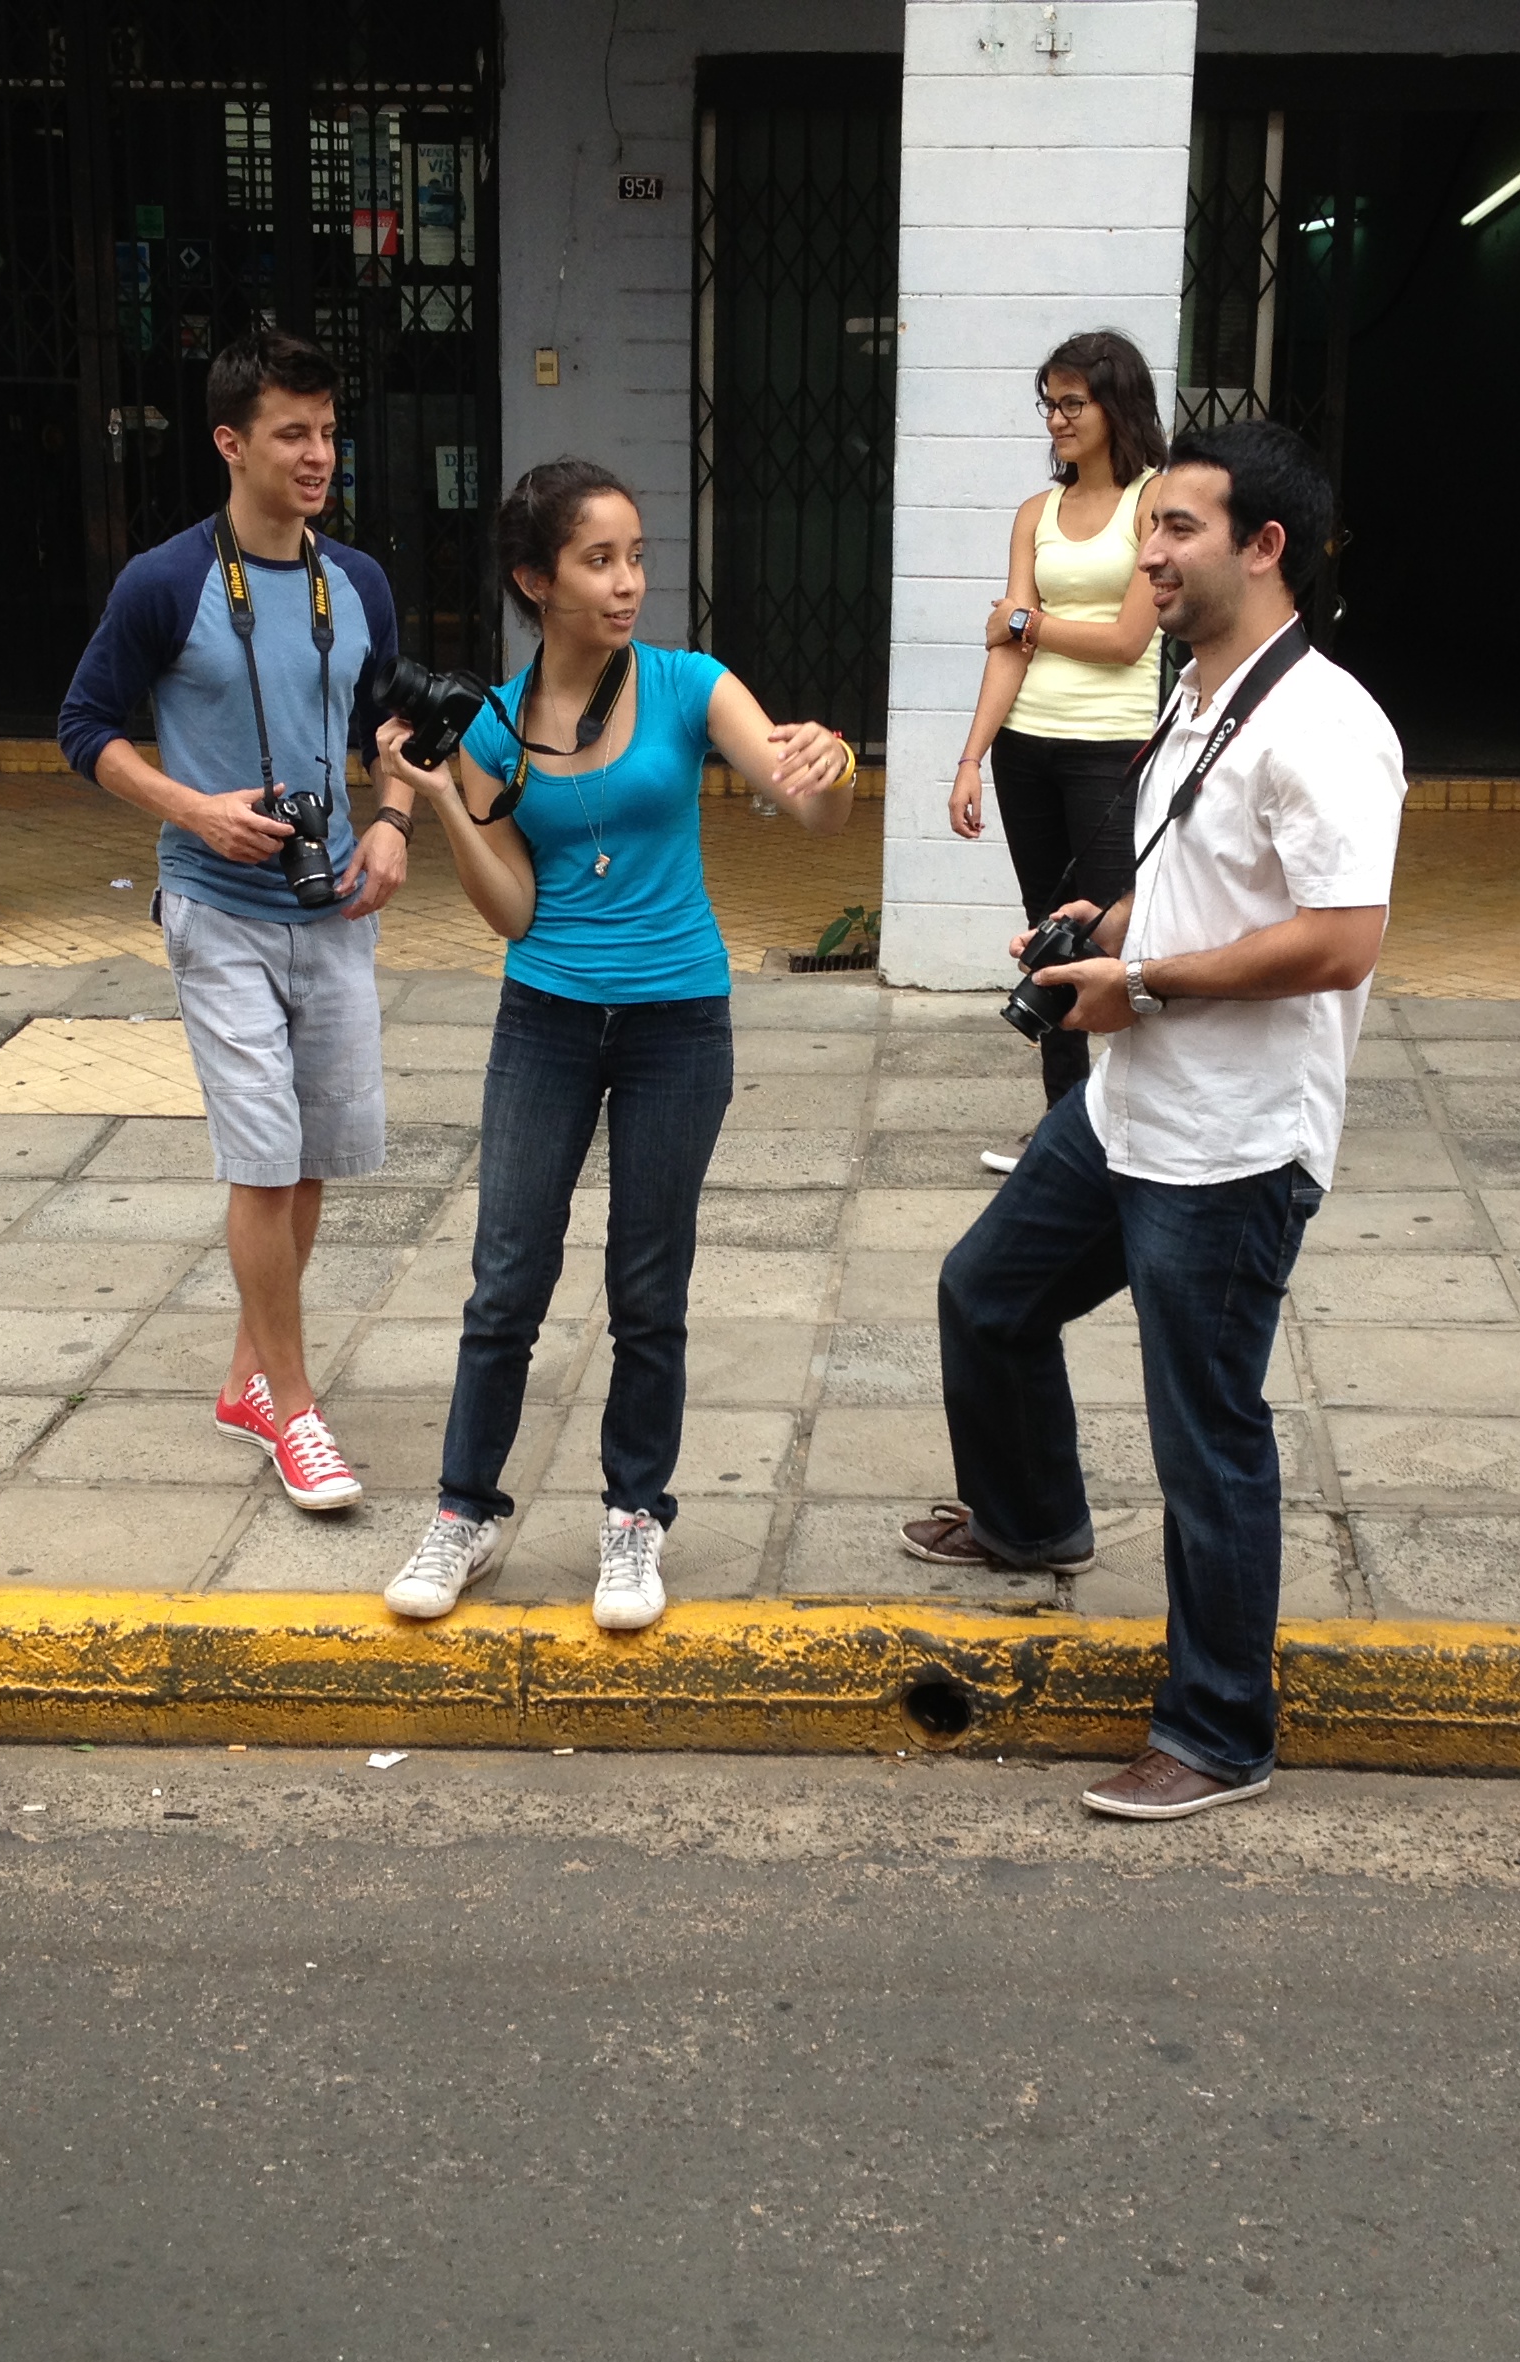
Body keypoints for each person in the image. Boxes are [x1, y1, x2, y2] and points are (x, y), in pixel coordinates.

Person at [906, 421, 1400, 1822]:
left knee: (1206, 1438)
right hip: (1133, 1102)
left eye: (1179, 527)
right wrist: (1100, 927)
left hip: (1234, 1146)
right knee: (986, 1295)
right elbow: (1192, 872)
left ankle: (1219, 1729)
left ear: (1264, 547)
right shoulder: (1203, 687)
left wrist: (1148, 979)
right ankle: (1030, 1519)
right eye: (1151, 526)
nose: (1150, 550)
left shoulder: (1326, 727)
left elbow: (1343, 939)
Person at [375, 458, 854, 1631]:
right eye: (600, 560)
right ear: (538, 581)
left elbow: (810, 811)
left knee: (649, 1288)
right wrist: (440, 797)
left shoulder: (692, 685)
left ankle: (633, 1519)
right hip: (545, 1013)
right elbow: (514, 912)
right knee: (507, 1279)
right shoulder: (490, 723)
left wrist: (827, 769)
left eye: (637, 555)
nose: (629, 581)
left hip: (677, 1021)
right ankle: (465, 1512)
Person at [58, 328, 413, 1512]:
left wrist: (395, 819)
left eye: (326, 430)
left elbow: (393, 729)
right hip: (218, 909)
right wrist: (192, 812)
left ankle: (248, 1380)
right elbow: (85, 729)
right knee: (263, 1163)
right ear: (231, 443)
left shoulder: (355, 581)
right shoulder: (164, 581)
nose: (318, 455)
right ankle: (296, 1410)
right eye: (291, 434)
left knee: (309, 1163)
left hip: (335, 904)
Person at [947, 330, 1169, 1174]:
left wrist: (1030, 623)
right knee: (1051, 936)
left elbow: (1124, 640)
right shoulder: (1033, 515)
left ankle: (1140, 1119)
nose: (1057, 418)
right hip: (1026, 749)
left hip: (1109, 748)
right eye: (1049, 403)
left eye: (1073, 402)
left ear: (1116, 405)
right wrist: (971, 757)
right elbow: (1006, 650)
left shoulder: (1154, 501)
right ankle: (1064, 1126)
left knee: (1116, 933)